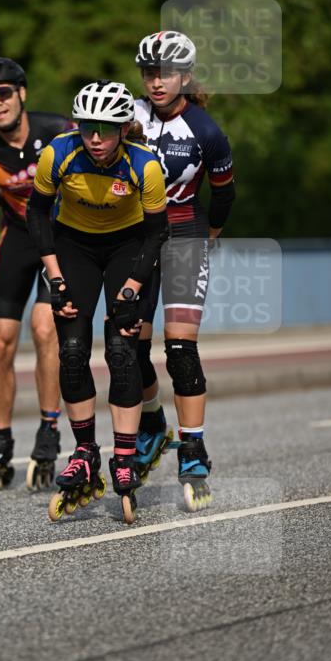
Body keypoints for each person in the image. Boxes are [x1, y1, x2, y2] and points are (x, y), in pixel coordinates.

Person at [26, 80, 168, 523]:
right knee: (71, 350)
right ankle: (84, 451)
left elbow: (156, 232)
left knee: (123, 348)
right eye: (89, 126)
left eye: (106, 128)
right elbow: (36, 213)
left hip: (131, 247)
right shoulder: (58, 153)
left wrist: (130, 291)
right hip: (75, 247)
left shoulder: (145, 166)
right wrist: (55, 278)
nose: (96, 137)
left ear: (123, 128)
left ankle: (123, 458)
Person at [0, 57, 73, 494]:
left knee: (44, 328)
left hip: (62, 238)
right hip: (19, 237)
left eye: (4, 93)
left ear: (22, 94)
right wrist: (5, 202)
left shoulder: (59, 129)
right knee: (0, 339)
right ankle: (2, 438)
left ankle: (48, 428)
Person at [132, 30, 236, 510]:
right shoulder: (130, 116)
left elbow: (225, 194)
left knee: (179, 347)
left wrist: (207, 236)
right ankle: (153, 424)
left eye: (166, 73)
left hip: (185, 234)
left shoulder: (206, 132)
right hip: (135, 238)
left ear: (185, 76)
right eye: (149, 72)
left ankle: (193, 450)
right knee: (127, 344)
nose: (156, 81)